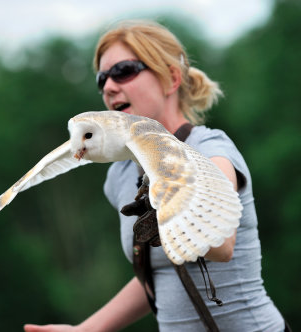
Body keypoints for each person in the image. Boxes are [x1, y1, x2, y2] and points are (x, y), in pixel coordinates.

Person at [24, 20, 285, 332]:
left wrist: (164, 212)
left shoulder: (209, 147)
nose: (108, 86)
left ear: (171, 78)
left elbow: (223, 243)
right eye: (102, 78)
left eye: (124, 70)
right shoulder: (120, 174)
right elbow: (159, 276)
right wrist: (85, 329)